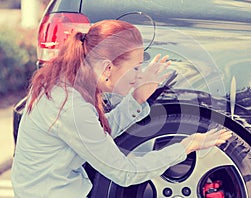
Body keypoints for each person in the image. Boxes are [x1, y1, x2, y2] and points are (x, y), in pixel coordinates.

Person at [11, 20, 232, 197]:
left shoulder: (69, 85)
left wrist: (136, 100)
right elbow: (124, 172)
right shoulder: (70, 106)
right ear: (108, 68)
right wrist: (186, 146)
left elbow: (98, 136)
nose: (138, 75)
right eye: (135, 67)